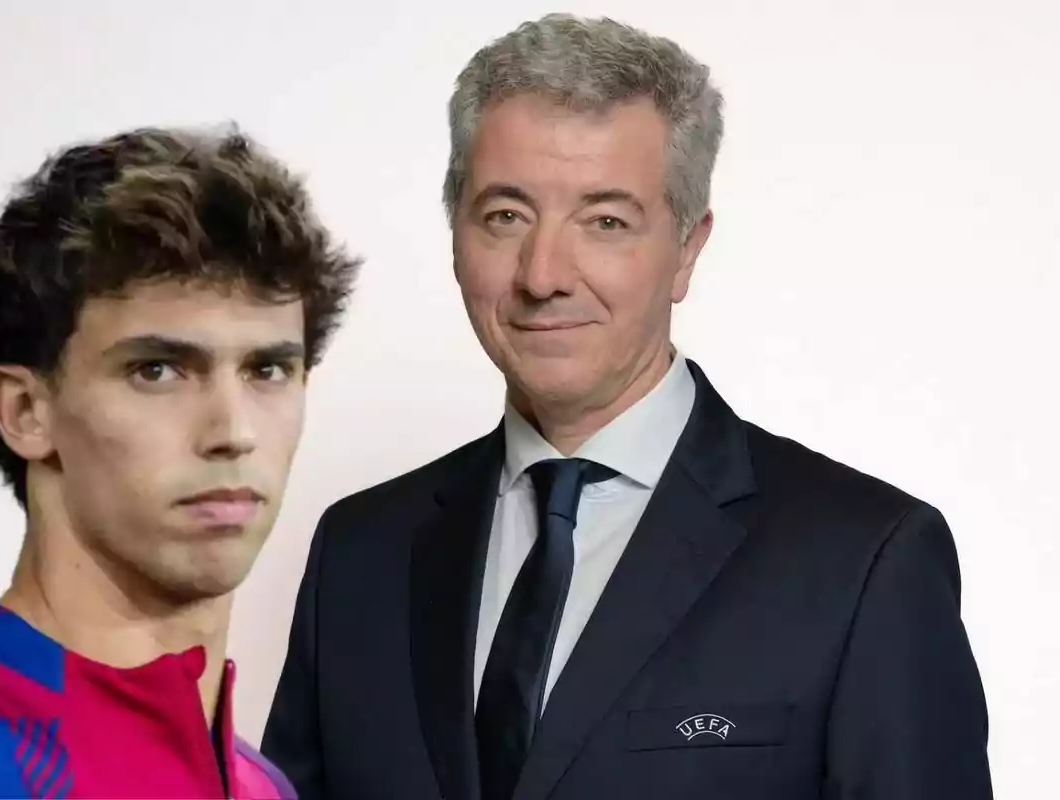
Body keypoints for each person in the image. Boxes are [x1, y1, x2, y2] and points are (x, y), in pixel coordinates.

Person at [261, 12, 992, 800]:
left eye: (605, 221)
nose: (543, 274)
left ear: (687, 249)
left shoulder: (864, 559)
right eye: (505, 216)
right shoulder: (360, 552)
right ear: (455, 232)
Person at [0, 125, 359, 799]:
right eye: (158, 370)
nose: (233, 431)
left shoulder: (264, 787)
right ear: (25, 410)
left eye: (267, 369)